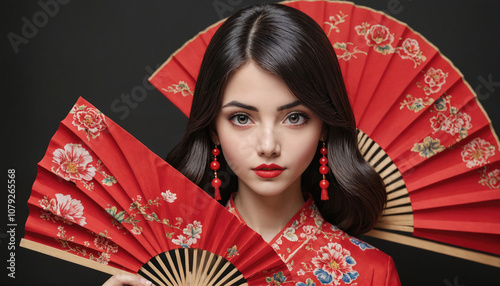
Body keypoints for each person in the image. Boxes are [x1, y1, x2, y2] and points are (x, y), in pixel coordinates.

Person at [104, 3, 400, 286]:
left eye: (295, 117)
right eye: (242, 118)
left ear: (324, 125)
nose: (268, 145)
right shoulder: (164, 263)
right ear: (213, 128)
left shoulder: (369, 273)